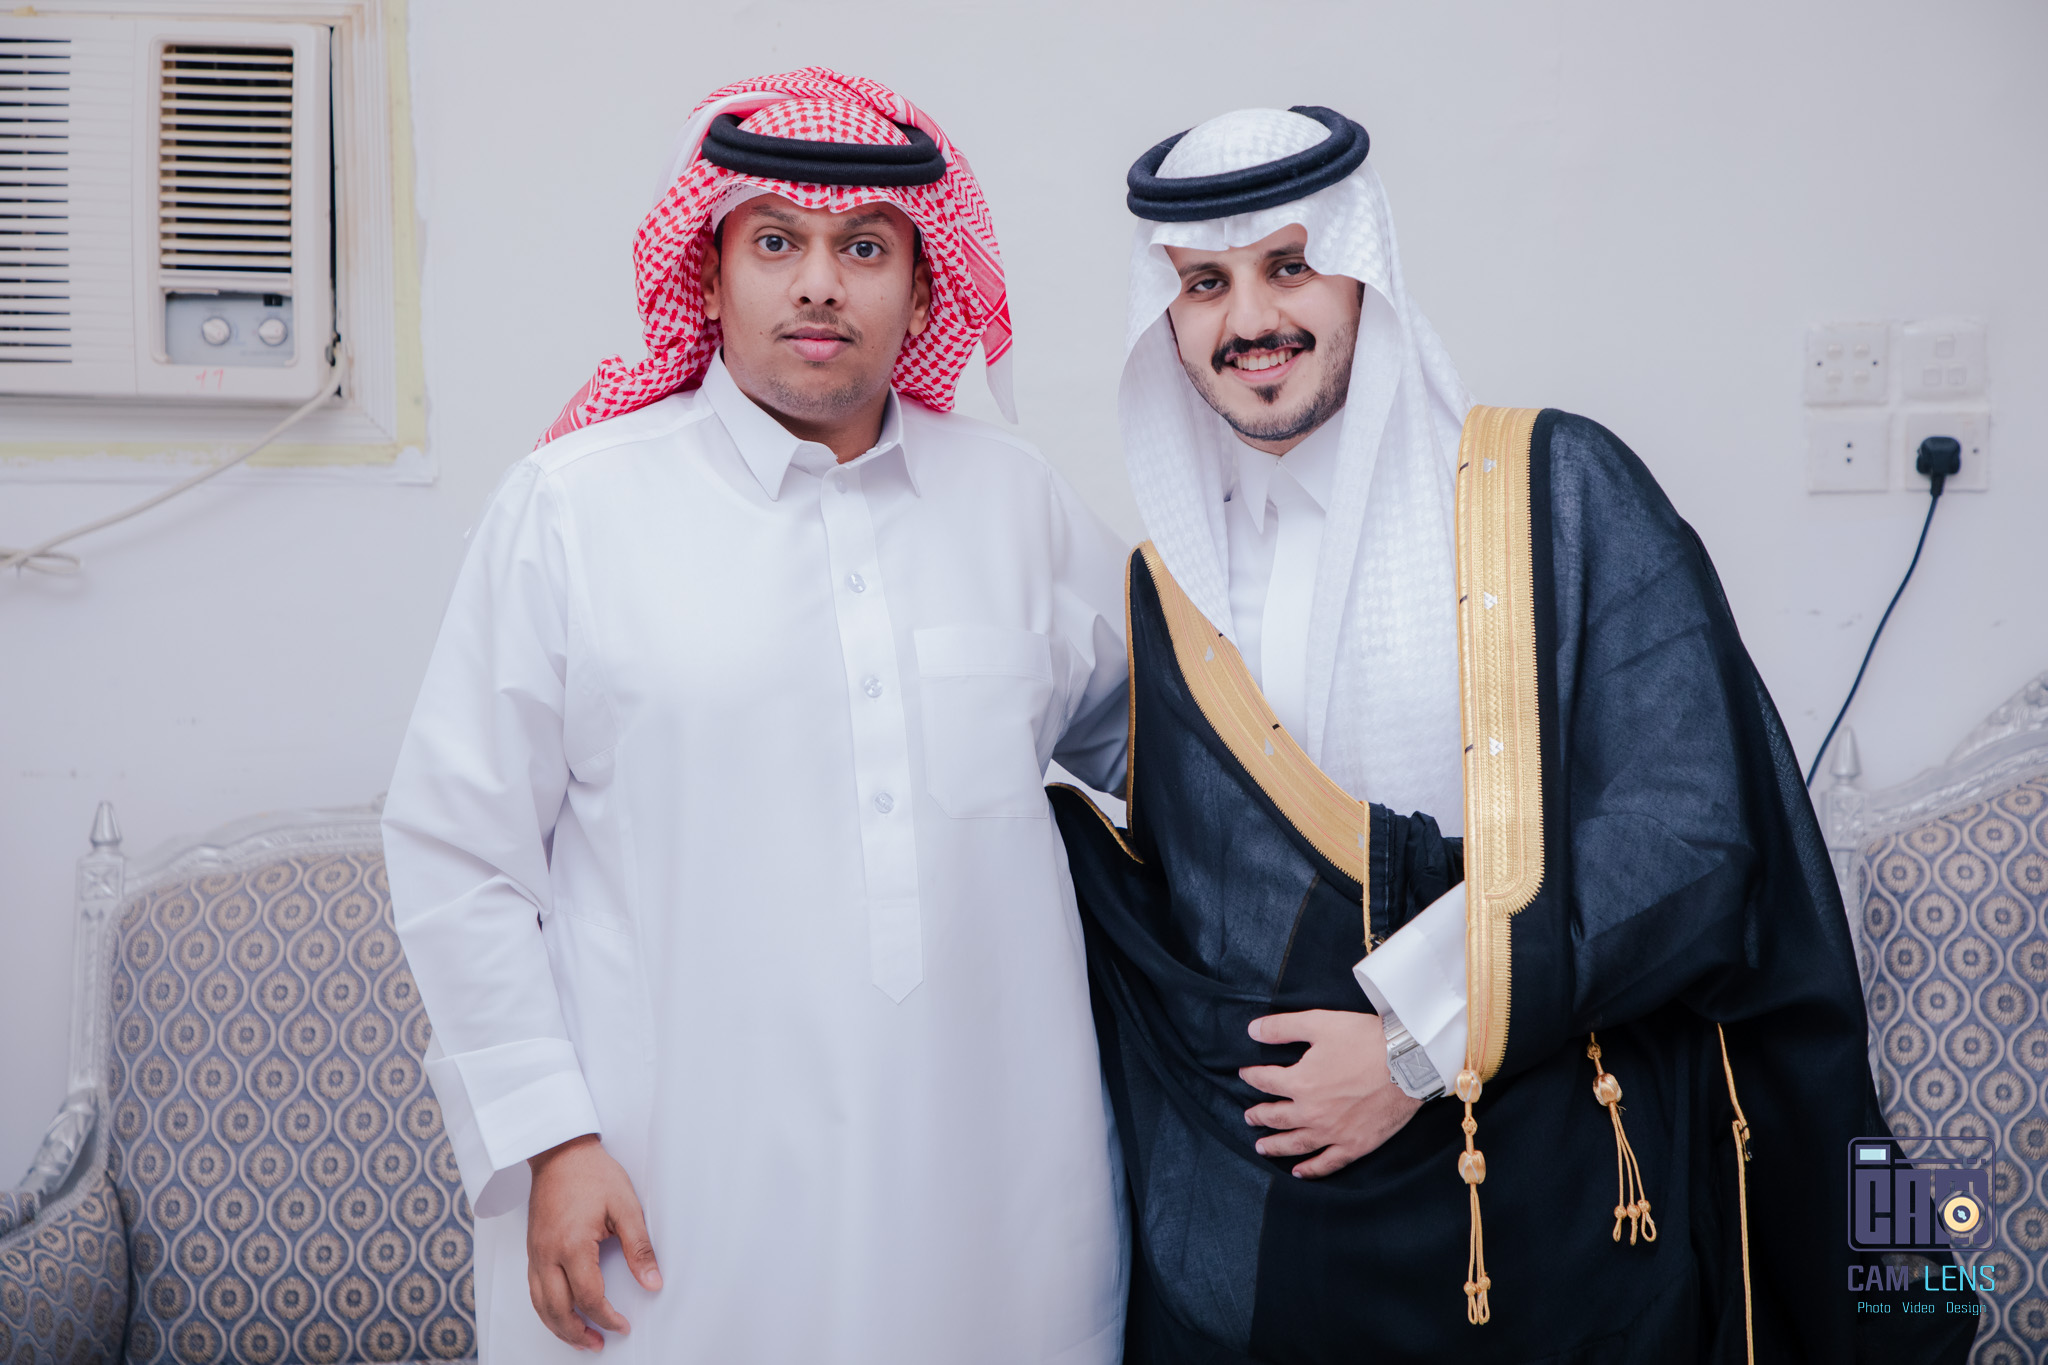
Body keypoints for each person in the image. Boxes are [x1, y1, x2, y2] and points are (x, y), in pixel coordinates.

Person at [1049, 104, 1977, 1363]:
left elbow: (1688, 834)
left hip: (1562, 1186)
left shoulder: (1556, 491)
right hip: (1307, 1233)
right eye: (1203, 284)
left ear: (1361, 272)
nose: (1249, 319)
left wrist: (1412, 1047)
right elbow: (1198, 894)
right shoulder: (1168, 597)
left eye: (1288, 266)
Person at [382, 68, 1130, 1363]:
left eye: (865, 247)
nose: (819, 283)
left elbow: (1176, 763)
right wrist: (551, 1137)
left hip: (990, 1200)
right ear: (711, 275)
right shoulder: (573, 509)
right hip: (671, 1195)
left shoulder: (1020, 506)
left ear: (924, 287)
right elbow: (460, 851)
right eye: (775, 243)